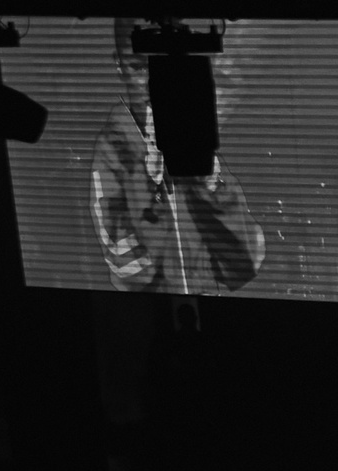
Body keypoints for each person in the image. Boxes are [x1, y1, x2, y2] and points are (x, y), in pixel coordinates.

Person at [94, 19, 267, 293]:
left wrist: (212, 186)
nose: (154, 85)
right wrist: (150, 186)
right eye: (139, 67)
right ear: (119, 66)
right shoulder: (115, 147)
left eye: (165, 66)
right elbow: (128, 274)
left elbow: (244, 266)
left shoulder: (196, 131)